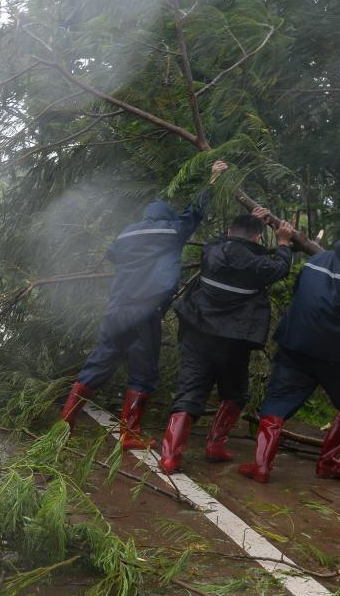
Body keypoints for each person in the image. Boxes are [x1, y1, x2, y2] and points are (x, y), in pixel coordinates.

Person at [59, 160, 228, 449]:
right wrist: (212, 180)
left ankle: (65, 424)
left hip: (116, 309)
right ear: (165, 217)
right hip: (143, 310)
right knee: (143, 371)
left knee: (99, 364)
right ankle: (129, 433)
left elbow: (112, 256)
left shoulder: (126, 234)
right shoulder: (171, 232)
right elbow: (195, 212)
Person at [238, 226, 340, 483]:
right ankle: (329, 462)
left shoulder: (320, 258)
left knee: (277, 401)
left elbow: (300, 291)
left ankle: (261, 465)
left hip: (294, 339)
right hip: (333, 350)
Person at [158, 209, 294, 474]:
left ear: (229, 232)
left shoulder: (211, 250)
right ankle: (215, 445)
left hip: (198, 332)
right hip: (234, 341)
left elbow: (232, 244)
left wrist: (252, 225)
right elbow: (280, 266)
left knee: (190, 391)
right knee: (235, 393)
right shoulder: (260, 266)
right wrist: (283, 243)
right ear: (257, 238)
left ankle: (170, 457)